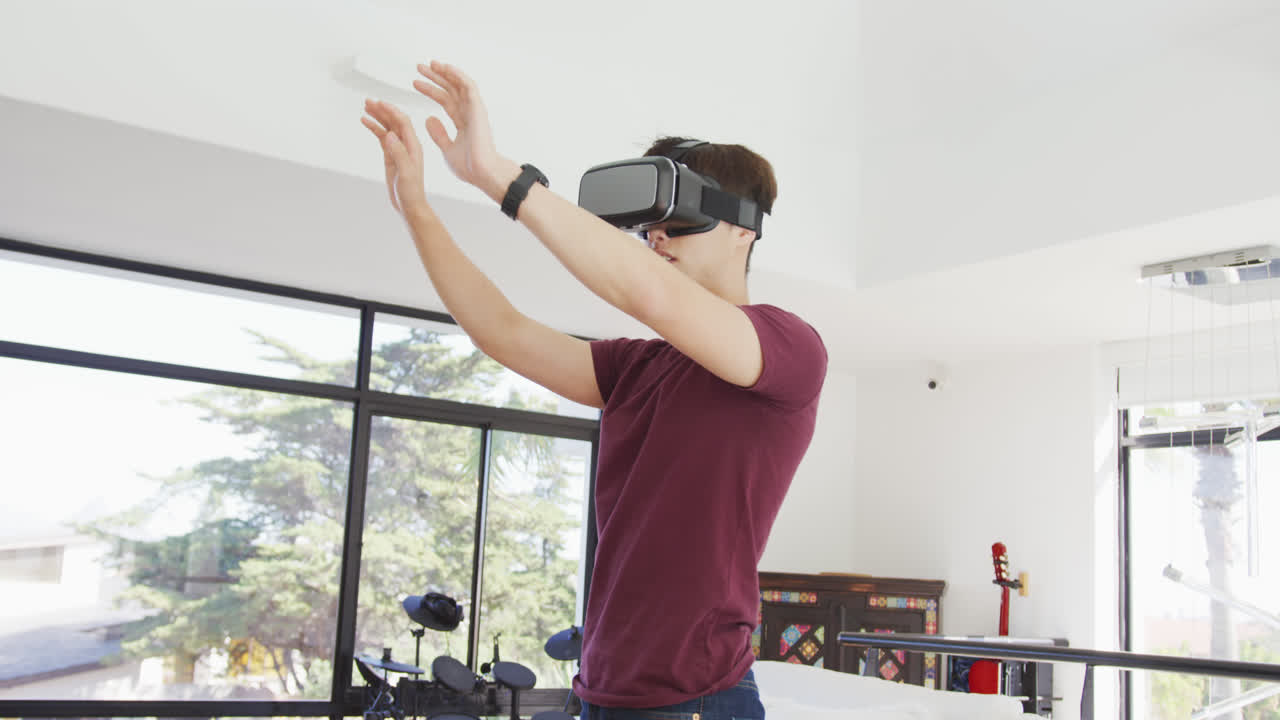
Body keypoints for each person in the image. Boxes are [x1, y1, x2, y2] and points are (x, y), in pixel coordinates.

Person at [361, 60, 827, 720]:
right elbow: (503, 331)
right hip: (601, 692)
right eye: (649, 226)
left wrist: (500, 175)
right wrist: (417, 208)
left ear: (744, 229)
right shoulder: (637, 369)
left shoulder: (786, 351)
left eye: (681, 220)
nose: (657, 237)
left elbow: (644, 290)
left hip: (696, 700)